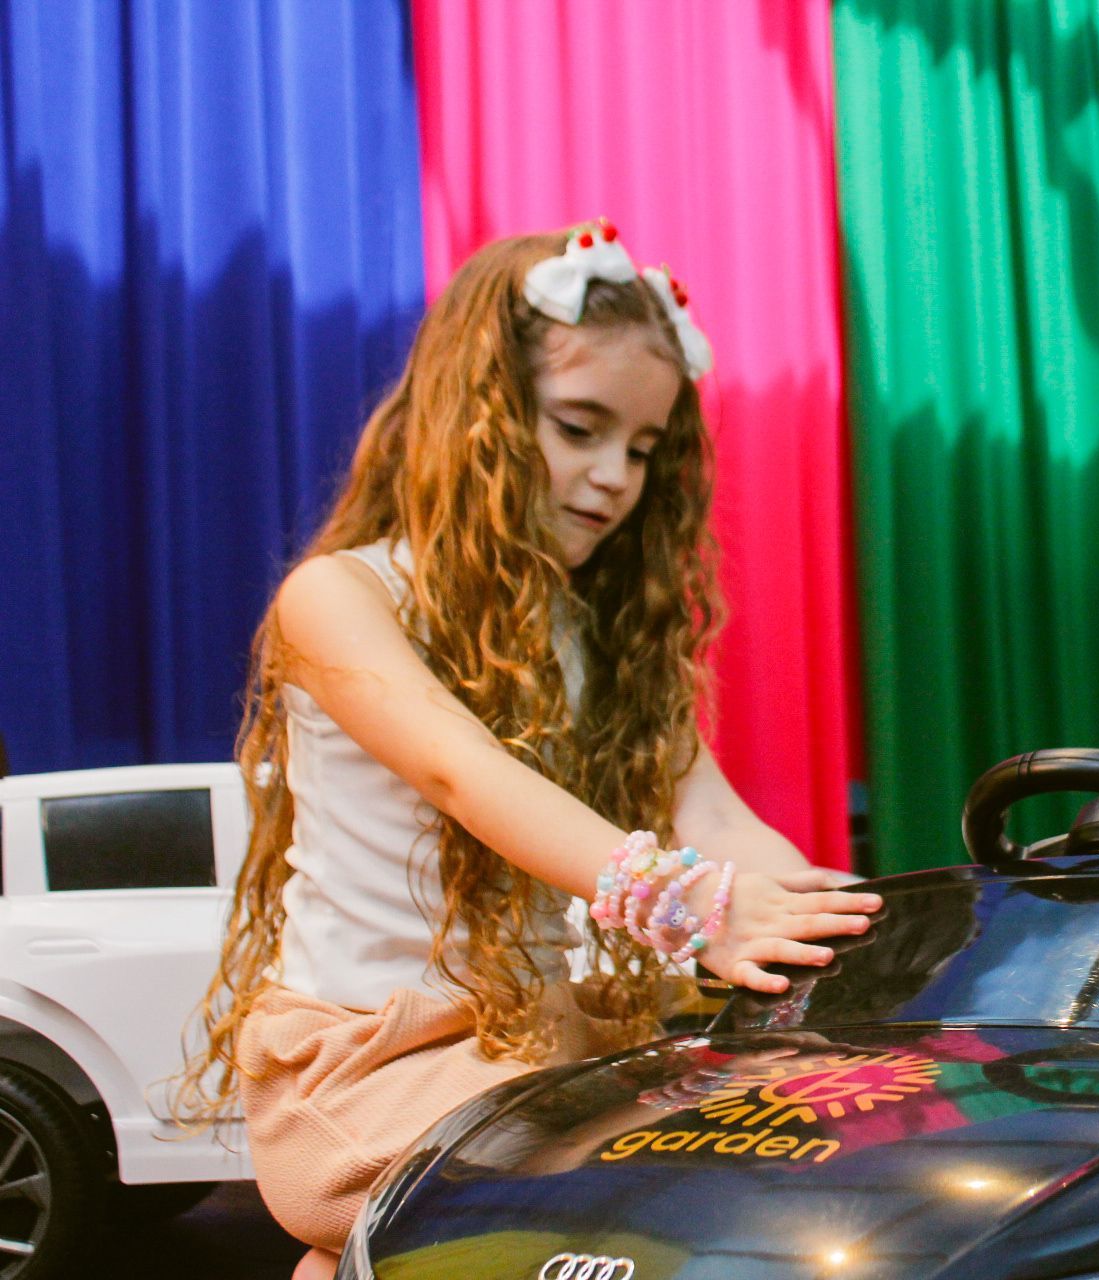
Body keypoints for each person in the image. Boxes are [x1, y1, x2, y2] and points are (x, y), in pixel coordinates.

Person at [176, 222, 881, 1278]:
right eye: (579, 427)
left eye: (641, 449)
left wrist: (864, 929)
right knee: (650, 1203)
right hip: (376, 1064)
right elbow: (468, 773)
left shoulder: (593, 635)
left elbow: (718, 817)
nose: (614, 477)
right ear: (481, 417)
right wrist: (692, 905)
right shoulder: (341, 598)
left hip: (527, 1051)